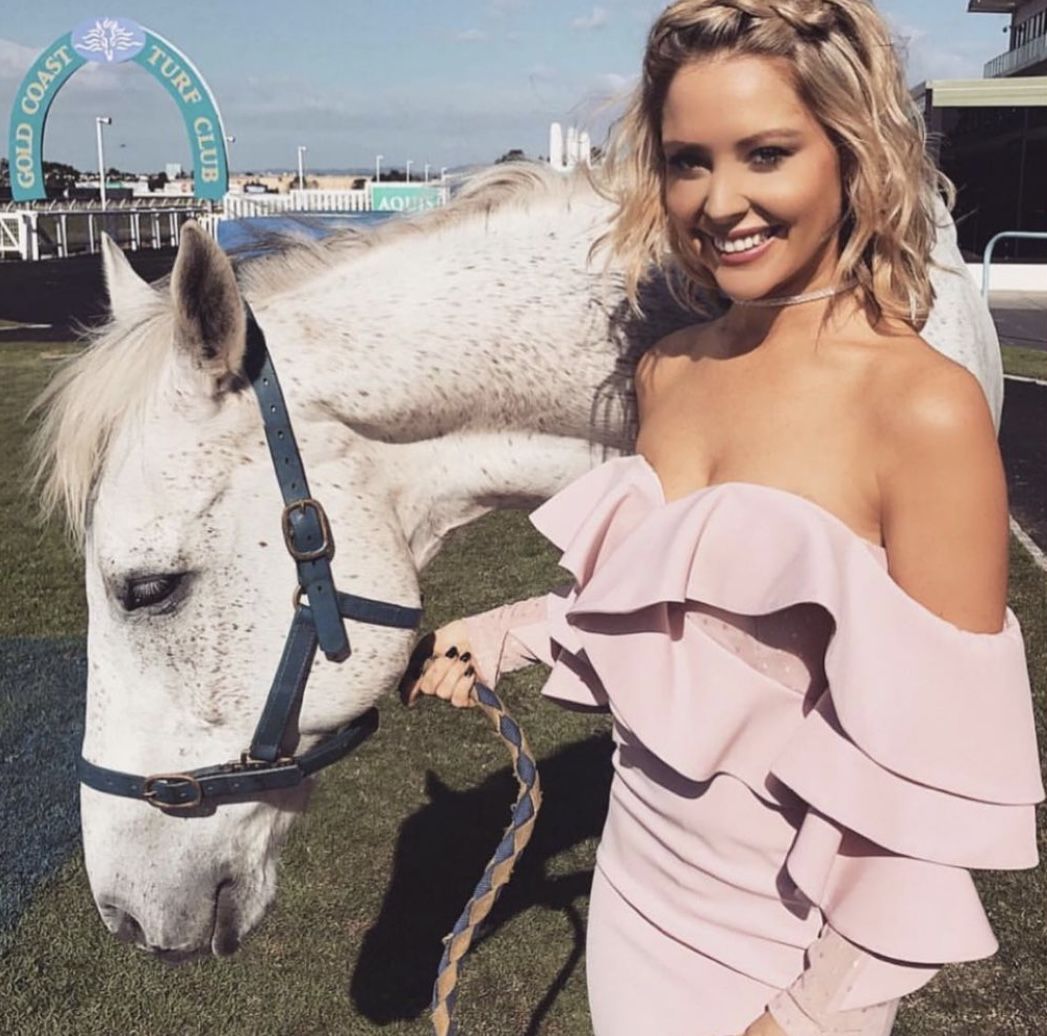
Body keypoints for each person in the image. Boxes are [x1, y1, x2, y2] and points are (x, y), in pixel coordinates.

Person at [403, 2, 1044, 1034]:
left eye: (766, 153)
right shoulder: (668, 371)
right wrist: (503, 633)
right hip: (634, 899)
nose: (719, 200)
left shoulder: (922, 408)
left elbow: (932, 782)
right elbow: (675, 635)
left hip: (785, 954)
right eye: (687, 161)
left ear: (851, 152)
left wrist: (803, 1016)